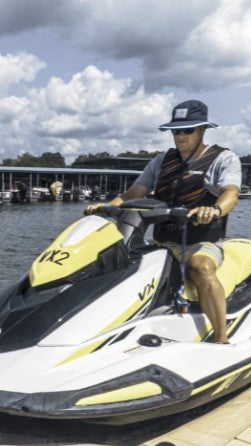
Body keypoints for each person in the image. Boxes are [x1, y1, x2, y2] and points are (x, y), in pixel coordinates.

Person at [86, 99, 241, 344]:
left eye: (188, 130)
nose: (180, 136)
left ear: (202, 130)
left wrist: (214, 209)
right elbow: (133, 194)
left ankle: (221, 338)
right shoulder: (161, 161)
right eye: (176, 130)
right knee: (119, 265)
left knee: (201, 268)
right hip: (163, 241)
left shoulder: (223, 159)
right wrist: (107, 207)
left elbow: (231, 193)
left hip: (202, 241)